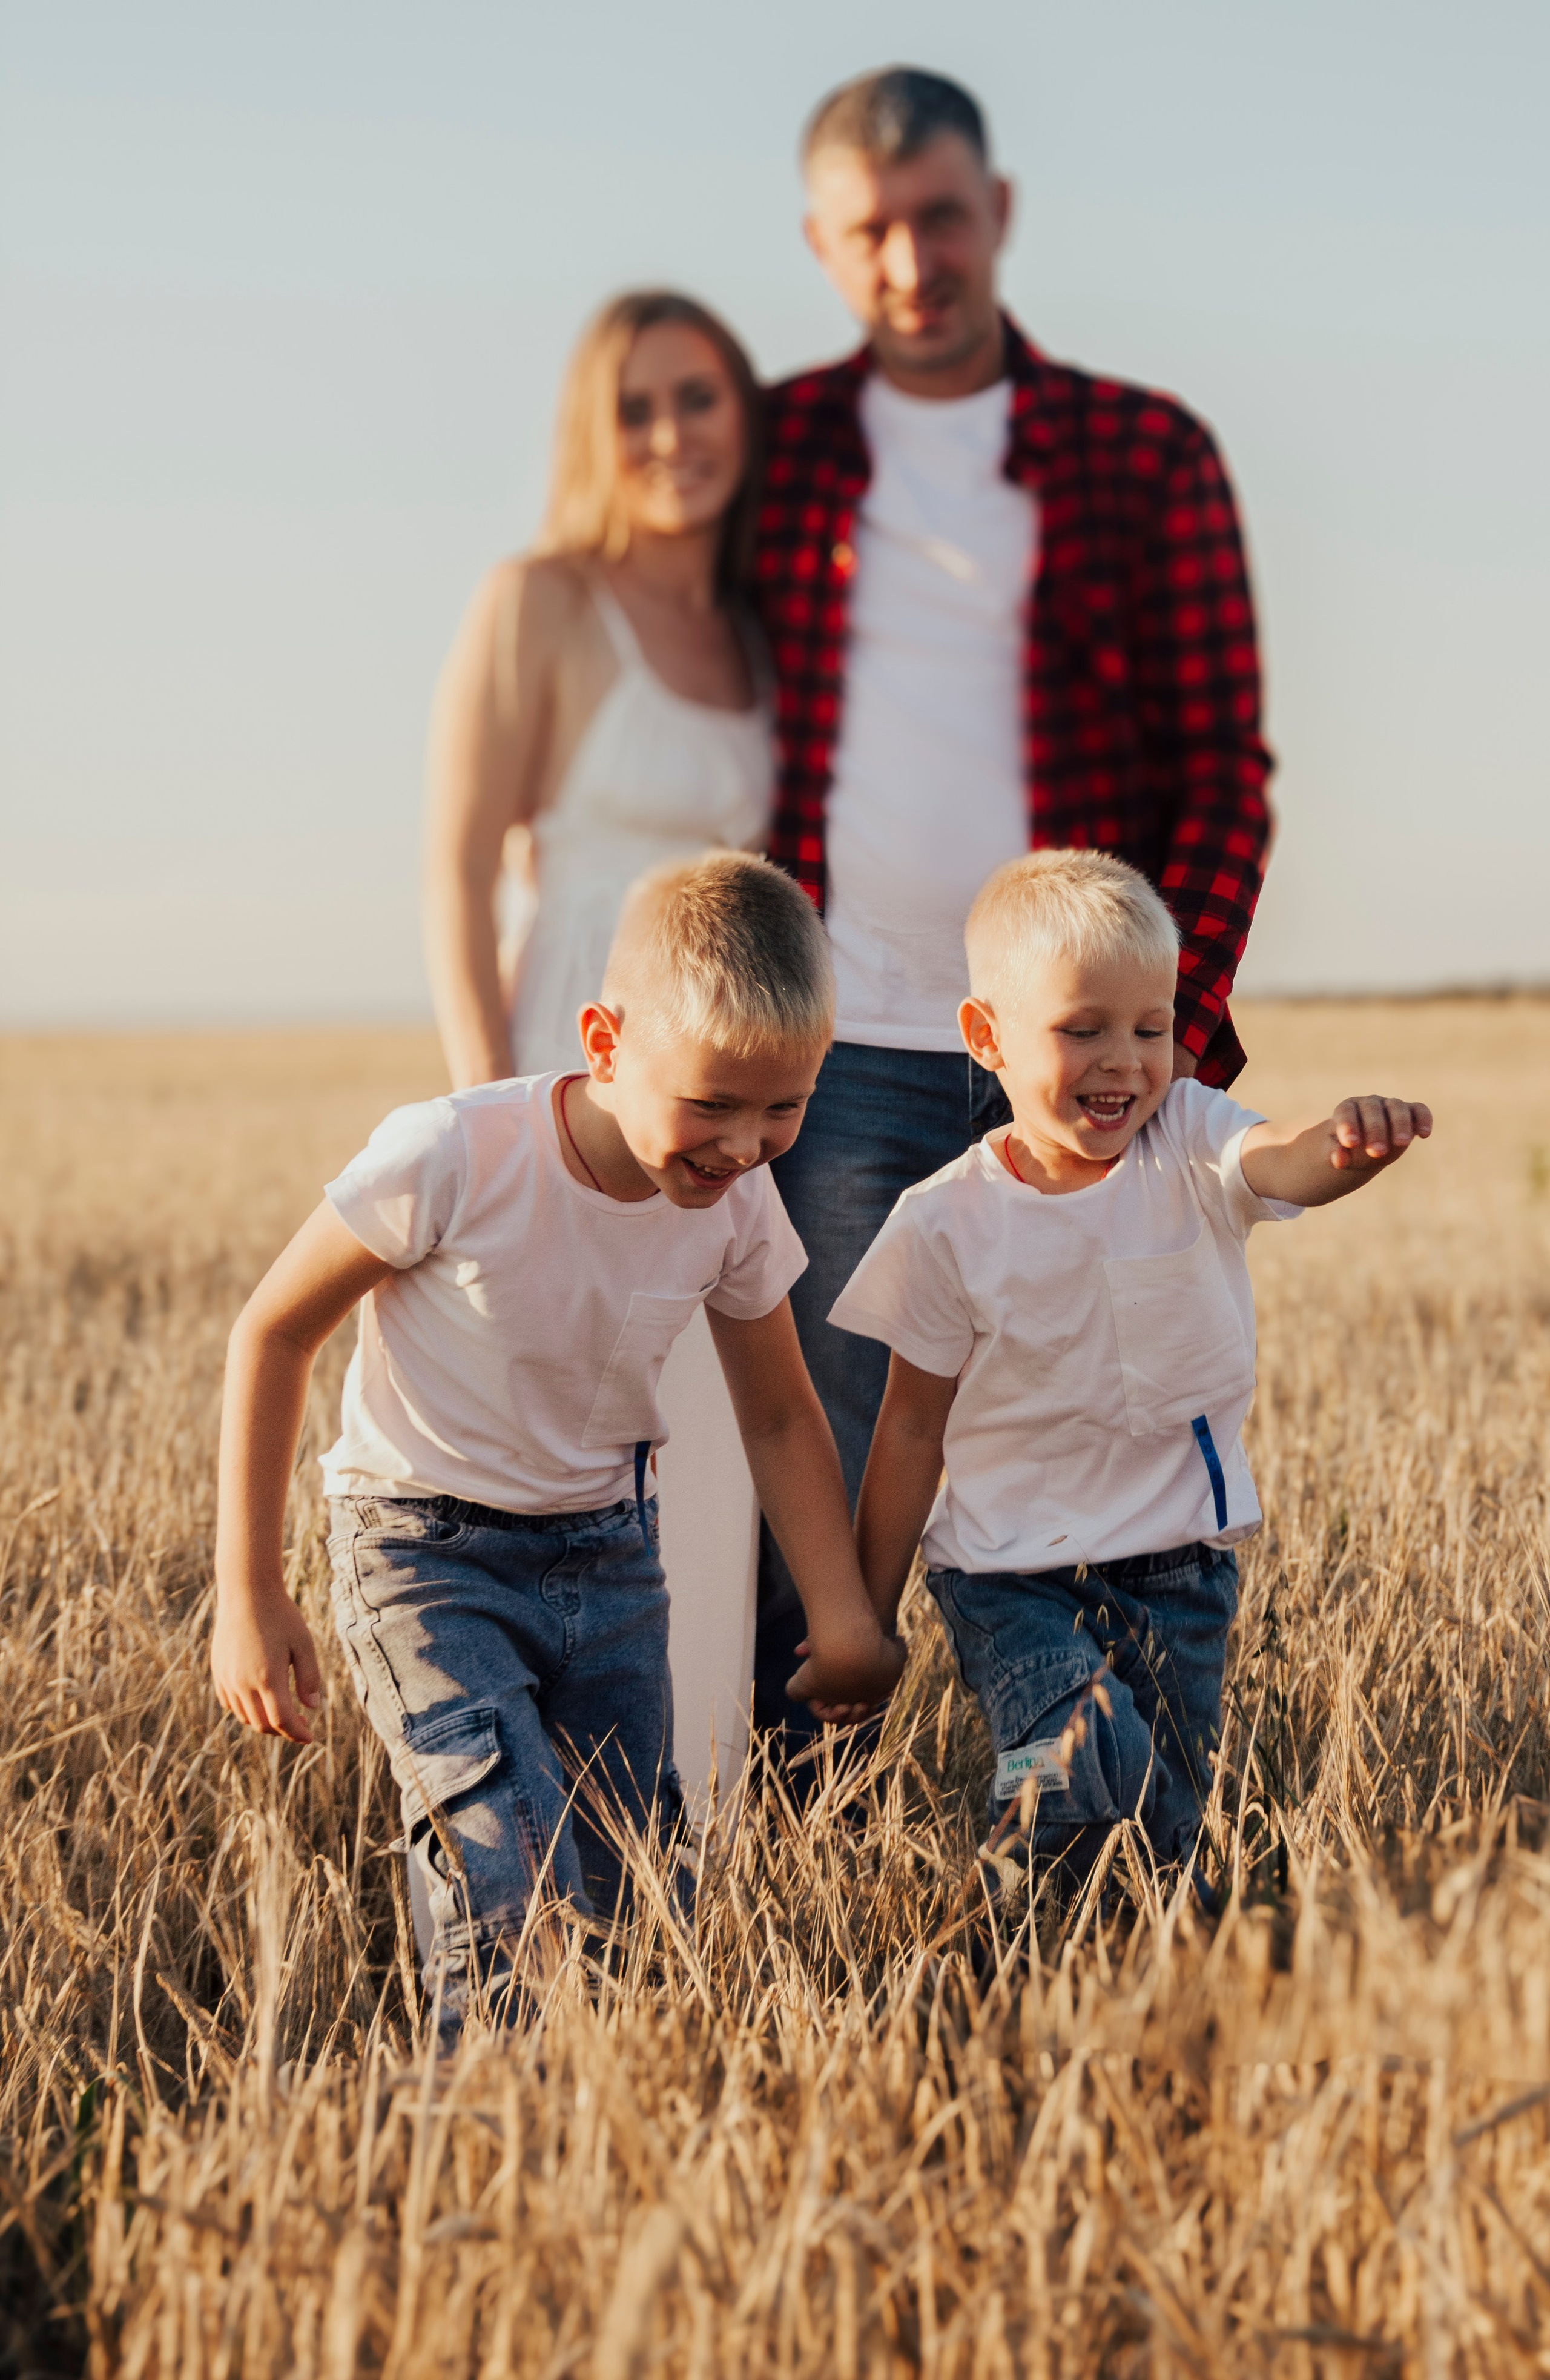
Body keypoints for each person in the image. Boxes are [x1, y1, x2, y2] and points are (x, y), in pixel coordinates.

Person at [752, 66, 1276, 1748]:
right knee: (836, 1441)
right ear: (826, 249)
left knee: (1111, 1415)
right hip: (844, 1044)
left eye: (943, 218)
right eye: (873, 233)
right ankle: (814, 1779)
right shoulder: (776, 455)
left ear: (1001, 214)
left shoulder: (1141, 448)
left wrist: (1149, 1049)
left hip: (1092, 1060)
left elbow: (1224, 769)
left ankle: (1099, 1772)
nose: (915, 262)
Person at [211, 853, 904, 2040]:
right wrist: (248, 1590)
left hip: (607, 1561)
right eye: (712, 1104)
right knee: (507, 1863)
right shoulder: (453, 1155)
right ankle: (473, 2139)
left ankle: (584, 2135)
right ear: (602, 1040)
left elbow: (781, 1414)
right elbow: (272, 1332)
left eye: (783, 1107)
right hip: (425, 1558)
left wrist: (837, 1612)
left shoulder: (736, 1204)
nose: (744, 1146)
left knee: (632, 1888)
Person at [826, 851, 1428, 1880]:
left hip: (1178, 1570)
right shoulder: (944, 1223)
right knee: (1078, 1753)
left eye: (1151, 1028)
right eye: (1082, 1029)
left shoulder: (1187, 1141)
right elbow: (910, 1428)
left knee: (1162, 1840)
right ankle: (1003, 1923)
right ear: (988, 1038)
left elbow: (1278, 1157)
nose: (1125, 1061)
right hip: (1007, 1572)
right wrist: (866, 1618)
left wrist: (1344, 1143)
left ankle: (1121, 1973)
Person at [423, 291, 776, 1802]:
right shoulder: (539, 599)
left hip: (726, 1080)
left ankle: (682, 1851)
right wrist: (481, 1109)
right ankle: (510, 1835)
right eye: (633, 406)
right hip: (568, 1049)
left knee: (697, 1446)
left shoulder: (761, 627)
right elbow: (453, 861)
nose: (670, 435)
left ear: (743, 414)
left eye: (697, 398)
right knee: (537, 1445)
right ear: (591, 428)